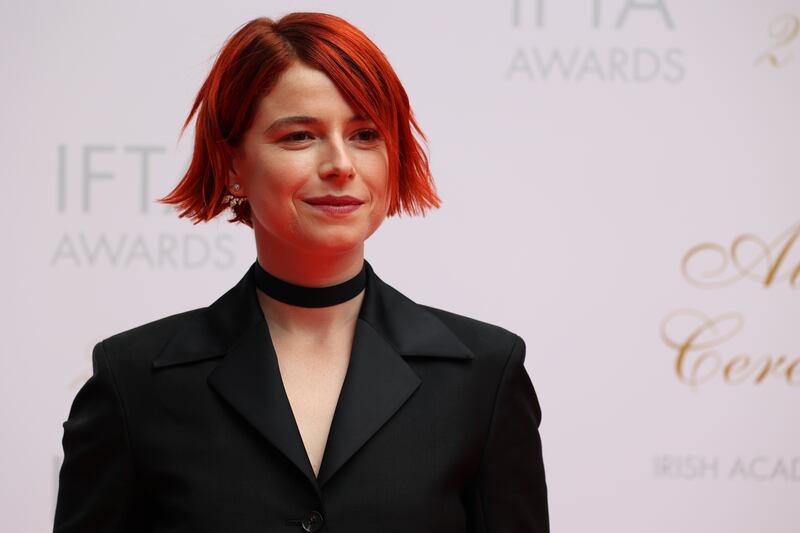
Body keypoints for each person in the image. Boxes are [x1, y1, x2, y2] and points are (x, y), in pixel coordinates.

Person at [53, 12, 548, 533]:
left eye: (364, 134)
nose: (340, 164)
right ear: (232, 166)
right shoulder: (132, 381)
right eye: (298, 136)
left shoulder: (485, 374)